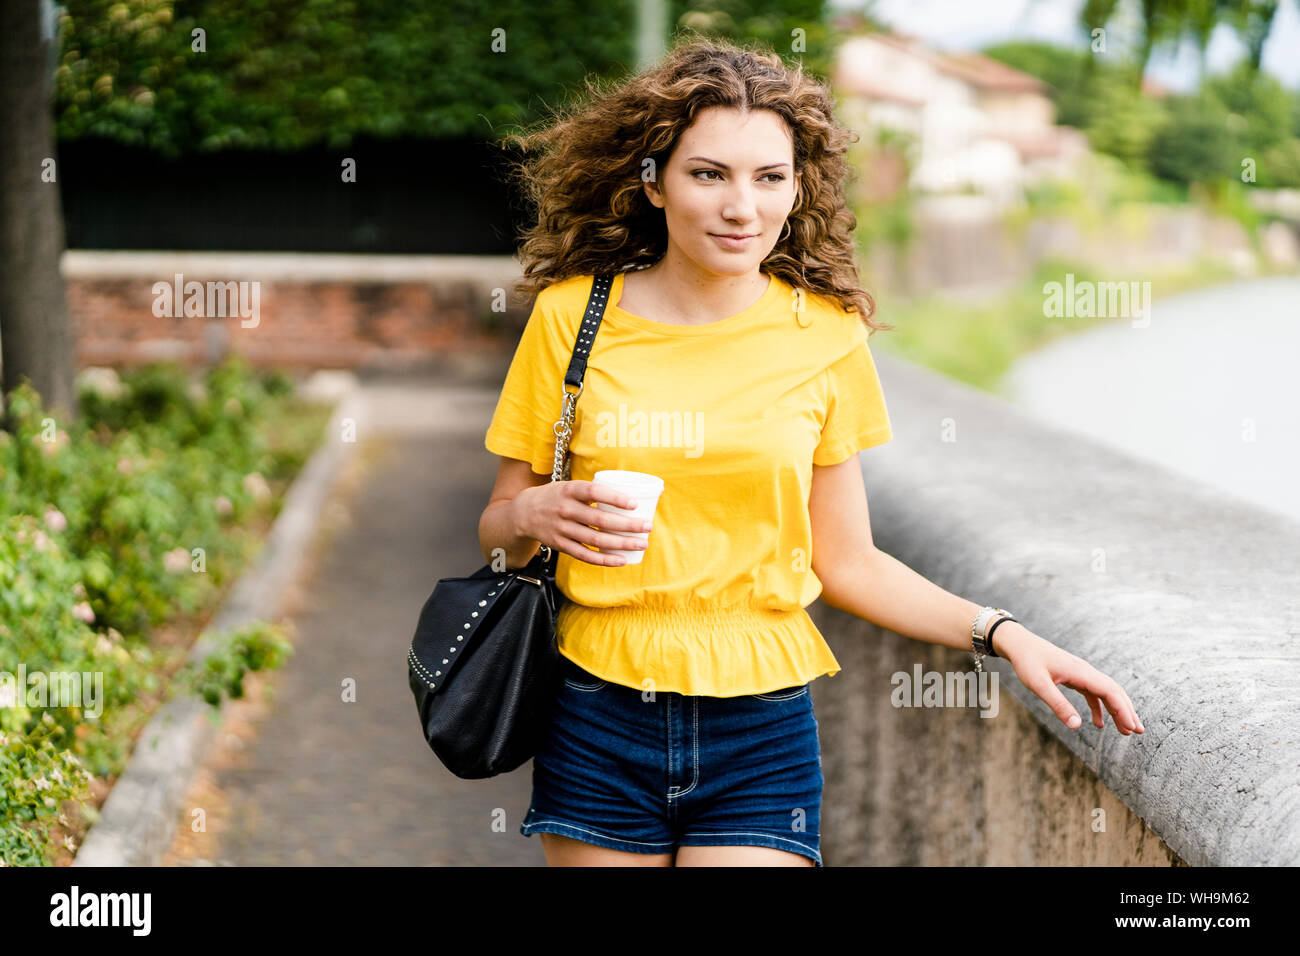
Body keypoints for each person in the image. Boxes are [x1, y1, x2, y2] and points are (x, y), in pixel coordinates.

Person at [479, 36, 1143, 868]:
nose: (740, 208)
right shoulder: (571, 319)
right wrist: (532, 513)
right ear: (652, 183)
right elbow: (498, 531)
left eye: (769, 178)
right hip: (595, 703)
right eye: (708, 173)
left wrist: (1002, 632)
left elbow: (849, 562)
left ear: (798, 190)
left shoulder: (824, 337)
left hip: (760, 725)